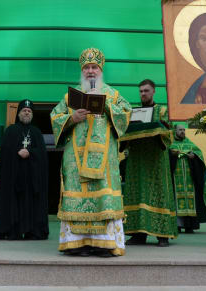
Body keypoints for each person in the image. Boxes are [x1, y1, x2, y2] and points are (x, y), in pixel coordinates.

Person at [50, 48, 131, 257]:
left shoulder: (113, 94)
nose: (91, 71)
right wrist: (72, 118)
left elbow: (126, 114)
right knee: (78, 194)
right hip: (75, 158)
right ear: (82, 71)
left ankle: (104, 243)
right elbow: (54, 117)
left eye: (94, 67)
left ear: (100, 70)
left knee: (103, 197)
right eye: (87, 68)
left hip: (104, 159)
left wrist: (107, 106)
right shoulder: (70, 96)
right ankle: (77, 244)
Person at [122, 79, 178, 247]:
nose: (143, 94)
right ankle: (138, 234)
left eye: (146, 91)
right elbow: (124, 132)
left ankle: (163, 235)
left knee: (158, 192)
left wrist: (159, 129)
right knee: (137, 193)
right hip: (137, 159)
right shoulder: (132, 112)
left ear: (154, 91)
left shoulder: (162, 111)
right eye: (141, 91)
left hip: (155, 160)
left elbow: (170, 132)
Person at [0, 99, 49, 240]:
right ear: (18, 113)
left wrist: (30, 152)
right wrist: (17, 152)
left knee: (32, 204)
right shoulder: (10, 131)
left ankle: (33, 231)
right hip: (14, 178)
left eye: (29, 111)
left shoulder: (37, 133)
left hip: (32, 180)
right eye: (24, 110)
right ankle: (13, 231)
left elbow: (43, 155)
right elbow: (5, 153)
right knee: (14, 203)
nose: (27, 112)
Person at [169, 125, 206, 233]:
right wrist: (172, 155)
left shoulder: (190, 144)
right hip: (176, 179)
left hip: (189, 180)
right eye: (180, 130)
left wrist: (194, 156)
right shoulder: (171, 145)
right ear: (175, 131)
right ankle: (178, 225)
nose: (182, 132)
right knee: (176, 201)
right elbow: (166, 157)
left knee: (191, 202)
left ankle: (190, 226)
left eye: (184, 130)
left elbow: (199, 155)